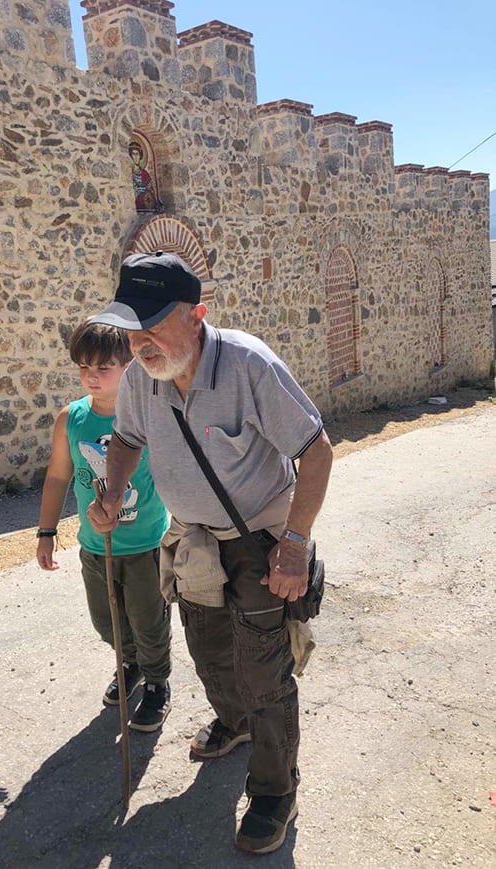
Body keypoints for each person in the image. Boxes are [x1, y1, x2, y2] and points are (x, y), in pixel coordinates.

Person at [88, 251, 333, 854]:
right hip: (192, 542)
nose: (139, 342)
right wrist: (114, 492)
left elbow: (317, 450)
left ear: (196, 316)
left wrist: (296, 546)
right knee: (209, 651)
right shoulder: (144, 376)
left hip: (260, 541)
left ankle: (275, 789)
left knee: (264, 672)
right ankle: (234, 722)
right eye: (131, 327)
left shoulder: (249, 364)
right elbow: (124, 438)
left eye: (152, 326)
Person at [36, 319, 172, 732]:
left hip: (146, 542)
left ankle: (156, 683)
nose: (92, 377)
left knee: (149, 620)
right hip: (95, 545)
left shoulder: (150, 413)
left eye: (104, 368)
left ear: (130, 365)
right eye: (83, 368)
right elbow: (59, 476)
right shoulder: (71, 419)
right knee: (107, 619)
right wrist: (46, 532)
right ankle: (128, 663)